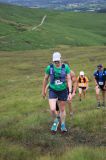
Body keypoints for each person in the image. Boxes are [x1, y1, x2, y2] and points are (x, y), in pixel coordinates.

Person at [42, 52, 72, 133]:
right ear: (53, 61)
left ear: (60, 59)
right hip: (53, 90)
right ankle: (56, 120)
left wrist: (70, 92)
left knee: (62, 109)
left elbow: (69, 79)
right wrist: (43, 90)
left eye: (58, 61)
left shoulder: (65, 67)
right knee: (52, 109)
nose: (57, 63)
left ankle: (63, 125)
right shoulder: (49, 68)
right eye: (55, 61)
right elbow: (45, 79)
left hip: (63, 91)